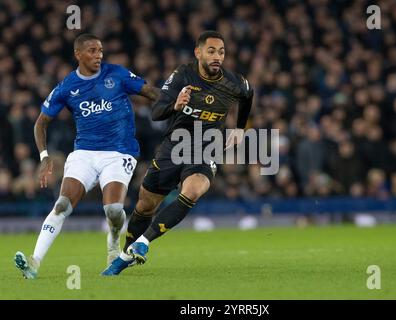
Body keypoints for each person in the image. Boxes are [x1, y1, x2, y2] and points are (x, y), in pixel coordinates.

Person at [102, 30, 253, 275]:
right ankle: (125, 254)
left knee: (192, 191)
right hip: (175, 147)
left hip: (207, 147)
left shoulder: (234, 82)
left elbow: (248, 95)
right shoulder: (183, 75)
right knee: (145, 206)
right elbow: (156, 112)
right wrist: (175, 105)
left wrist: (239, 128)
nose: (217, 57)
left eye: (222, 52)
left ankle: (143, 243)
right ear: (198, 52)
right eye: (211, 51)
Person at [14, 33, 160, 279]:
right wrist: (44, 155)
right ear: (78, 54)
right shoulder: (67, 86)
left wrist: (179, 102)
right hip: (84, 152)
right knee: (62, 205)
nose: (98, 55)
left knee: (113, 210)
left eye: (100, 50)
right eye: (92, 50)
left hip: (119, 152)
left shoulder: (117, 74)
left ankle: (113, 247)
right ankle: (34, 261)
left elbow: (152, 92)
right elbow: (41, 123)